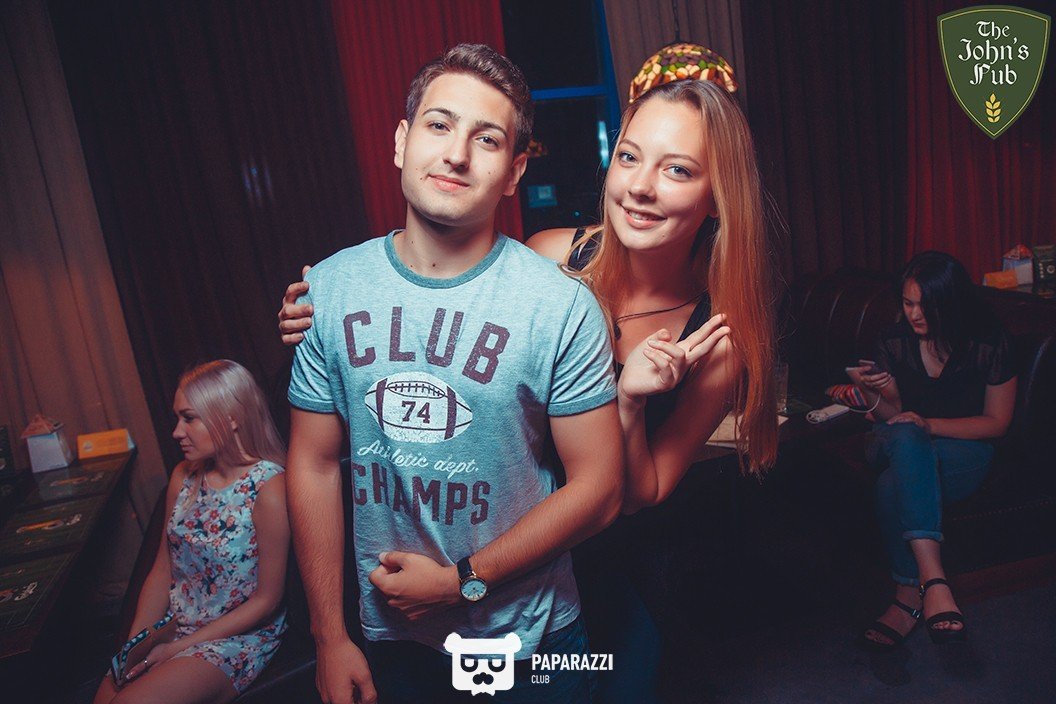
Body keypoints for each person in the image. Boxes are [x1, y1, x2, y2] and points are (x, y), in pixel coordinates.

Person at [281, 74, 779, 702]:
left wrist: (629, 402)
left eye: (678, 170)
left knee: (608, 688)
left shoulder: (717, 339)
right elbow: (461, 338)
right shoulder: (551, 258)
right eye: (629, 157)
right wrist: (324, 309)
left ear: (717, 198)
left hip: (616, 573)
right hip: (508, 547)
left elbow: (639, 494)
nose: (641, 187)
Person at [284, 44, 623, 704]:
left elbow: (600, 488)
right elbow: (314, 464)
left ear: (514, 171)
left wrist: (461, 581)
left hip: (531, 639)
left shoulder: (560, 306)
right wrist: (329, 635)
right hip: (391, 637)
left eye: (486, 138)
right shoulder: (325, 291)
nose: (457, 153)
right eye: (439, 125)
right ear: (401, 142)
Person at [94, 360, 289, 704]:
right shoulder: (184, 475)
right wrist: (136, 645)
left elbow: (267, 599)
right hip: (174, 629)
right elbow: (162, 571)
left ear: (231, 417)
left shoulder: (268, 487)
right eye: (178, 418)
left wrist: (178, 649)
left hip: (235, 638)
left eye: (189, 418)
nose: (176, 432)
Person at [849, 251, 1017, 650]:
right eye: (908, 303)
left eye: (926, 305)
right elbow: (892, 419)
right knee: (907, 436)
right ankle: (935, 580)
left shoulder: (988, 342)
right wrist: (874, 393)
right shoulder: (894, 341)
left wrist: (929, 424)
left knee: (891, 484)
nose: (915, 314)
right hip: (900, 443)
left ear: (952, 303)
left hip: (964, 451)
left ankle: (908, 597)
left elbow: (997, 422)